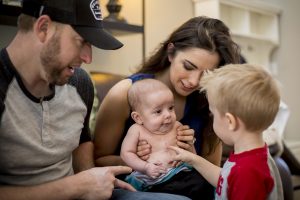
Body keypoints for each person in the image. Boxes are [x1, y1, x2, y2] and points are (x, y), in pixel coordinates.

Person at [0, 0, 191, 200]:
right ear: (43, 28)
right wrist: (77, 186)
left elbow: (82, 151)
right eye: (82, 40)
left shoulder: (79, 82)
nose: (88, 58)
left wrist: (95, 183)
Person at [94, 15, 241, 199]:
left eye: (207, 73)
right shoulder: (124, 93)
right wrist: (141, 160)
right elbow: (96, 161)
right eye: (188, 66)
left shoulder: (207, 100)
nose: (194, 81)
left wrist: (191, 155)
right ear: (171, 53)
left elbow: (211, 169)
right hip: (137, 186)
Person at [169, 64, 284, 200]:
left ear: (230, 121)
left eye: (213, 114)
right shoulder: (252, 155)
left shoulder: (248, 174)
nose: (212, 119)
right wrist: (193, 159)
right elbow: (226, 180)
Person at [121, 79, 193, 191]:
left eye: (171, 108)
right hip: (150, 178)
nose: (168, 115)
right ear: (138, 118)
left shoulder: (177, 126)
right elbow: (126, 154)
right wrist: (145, 167)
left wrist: (189, 148)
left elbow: (192, 154)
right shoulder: (136, 130)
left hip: (180, 172)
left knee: (202, 183)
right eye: (158, 111)